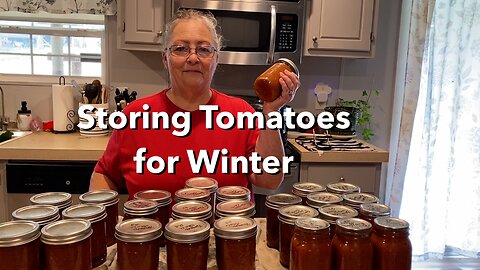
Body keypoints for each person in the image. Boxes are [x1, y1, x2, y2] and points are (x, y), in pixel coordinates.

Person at [89, 9, 300, 198]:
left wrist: (272, 112)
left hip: (224, 239)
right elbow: (104, 174)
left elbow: (269, 180)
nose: (192, 58)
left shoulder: (241, 114)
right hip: (153, 239)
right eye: (180, 48)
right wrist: (101, 221)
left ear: (216, 59)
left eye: (204, 49)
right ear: (165, 59)